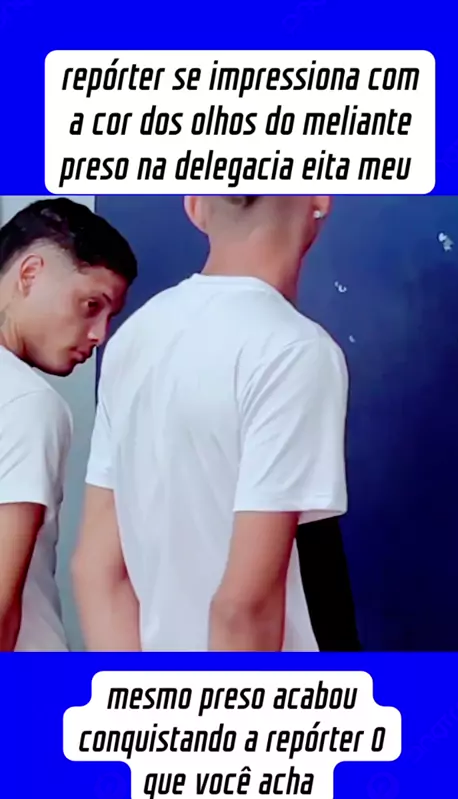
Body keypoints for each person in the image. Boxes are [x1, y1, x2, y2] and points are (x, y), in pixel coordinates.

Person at [73, 194, 349, 652]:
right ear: (320, 197)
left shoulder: (134, 338)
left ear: (195, 206)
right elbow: (243, 609)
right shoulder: (294, 350)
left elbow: (98, 570)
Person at [0, 198, 137, 651]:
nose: (99, 334)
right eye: (91, 304)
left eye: (109, 316)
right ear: (30, 274)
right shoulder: (26, 402)